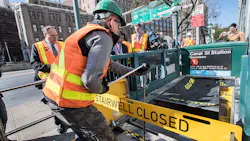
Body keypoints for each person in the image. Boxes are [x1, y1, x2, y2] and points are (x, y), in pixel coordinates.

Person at [42, 0, 150, 141]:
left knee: (85, 135)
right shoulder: (103, 36)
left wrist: (134, 71)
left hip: (53, 96)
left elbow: (109, 64)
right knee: (104, 137)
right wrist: (102, 89)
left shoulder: (84, 32)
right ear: (111, 21)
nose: (119, 29)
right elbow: (91, 80)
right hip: (71, 102)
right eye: (119, 24)